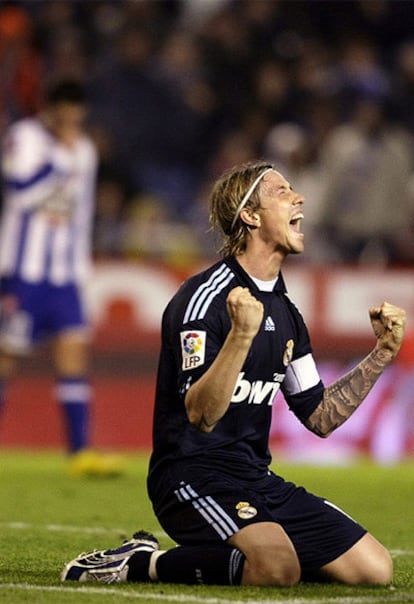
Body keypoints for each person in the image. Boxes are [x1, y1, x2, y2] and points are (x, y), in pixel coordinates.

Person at [62, 160, 405, 584]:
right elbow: (201, 415)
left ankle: (255, 555)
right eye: (282, 192)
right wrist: (241, 336)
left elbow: (320, 417)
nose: (298, 198)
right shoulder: (203, 299)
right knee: (277, 568)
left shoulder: (287, 313)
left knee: (373, 570)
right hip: (191, 478)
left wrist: (382, 354)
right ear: (250, 215)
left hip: (256, 479)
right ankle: (137, 563)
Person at [0, 79, 121, 476]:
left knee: (74, 353)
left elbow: (81, 210)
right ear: (49, 109)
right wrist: (58, 161)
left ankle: (79, 452)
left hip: (64, 274)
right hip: (23, 271)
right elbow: (20, 192)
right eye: (64, 110)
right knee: (7, 356)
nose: (71, 119)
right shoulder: (26, 137)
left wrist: (79, 265)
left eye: (77, 111)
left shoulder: (85, 150)